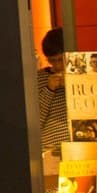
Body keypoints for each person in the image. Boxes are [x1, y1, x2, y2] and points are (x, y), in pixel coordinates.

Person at [36, 27, 70, 159]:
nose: (57, 66)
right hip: (50, 148)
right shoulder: (39, 78)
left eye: (60, 59)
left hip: (79, 145)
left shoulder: (81, 75)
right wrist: (49, 89)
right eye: (51, 61)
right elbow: (36, 121)